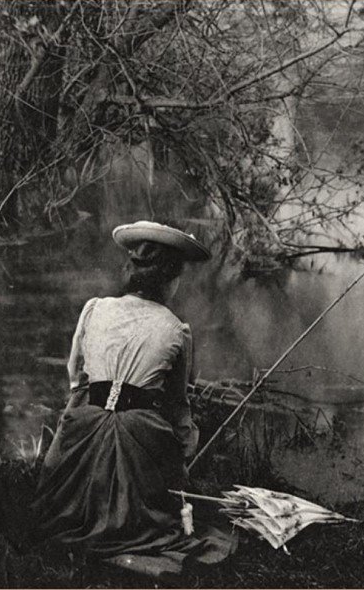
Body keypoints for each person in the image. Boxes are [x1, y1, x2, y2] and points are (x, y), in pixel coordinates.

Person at [31, 221, 236, 579]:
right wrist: (181, 460)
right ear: (171, 279)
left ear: (131, 271)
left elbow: (76, 378)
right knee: (156, 494)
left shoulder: (94, 308)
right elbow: (177, 406)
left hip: (83, 429)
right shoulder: (176, 330)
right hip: (140, 441)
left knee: (65, 505)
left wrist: (71, 435)